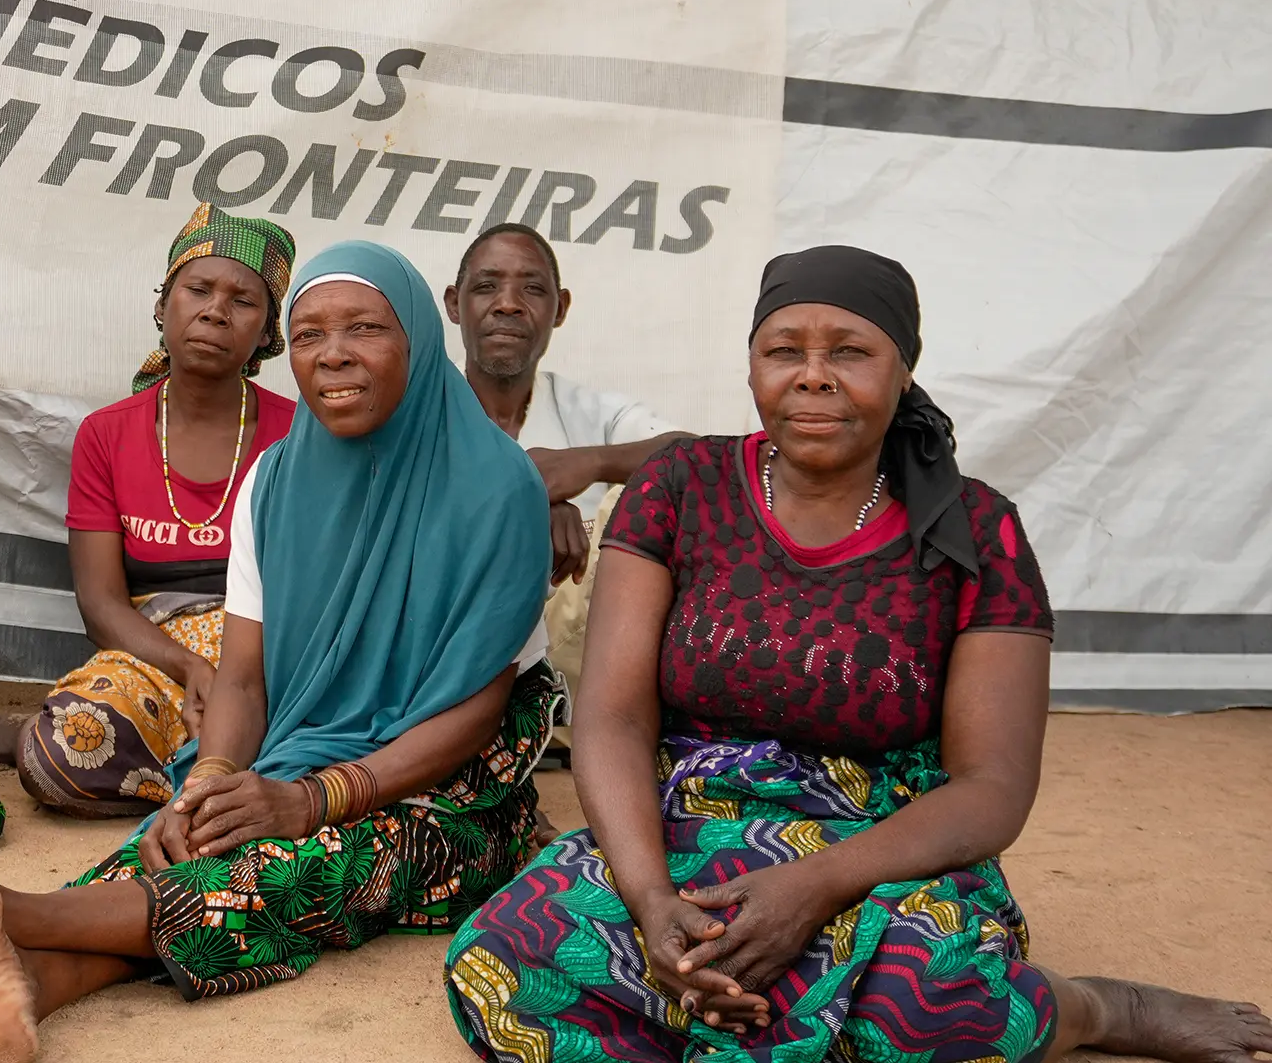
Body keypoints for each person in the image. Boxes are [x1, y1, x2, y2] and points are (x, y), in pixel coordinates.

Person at [447, 245, 1272, 1063]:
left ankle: (1095, 1006)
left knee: (932, 1005)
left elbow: (993, 787)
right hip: (687, 820)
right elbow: (616, 719)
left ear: (903, 372)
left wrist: (810, 887)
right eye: (784, 350)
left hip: (879, 847)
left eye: (849, 350)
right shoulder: (680, 489)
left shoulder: (976, 530)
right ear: (751, 368)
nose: (812, 375)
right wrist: (653, 898)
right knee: (504, 955)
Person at [0, 240, 563, 1062]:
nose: (334, 355)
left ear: (418, 341)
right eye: (310, 335)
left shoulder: (499, 489)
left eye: (364, 329)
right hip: (304, 747)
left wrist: (312, 800)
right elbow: (243, 678)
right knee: (196, 837)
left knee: (309, 864)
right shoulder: (275, 482)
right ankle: (32, 981)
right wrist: (207, 782)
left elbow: (476, 708)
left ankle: (6, 910)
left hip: (458, 787)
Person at [0, 204, 298, 819]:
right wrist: (189, 666)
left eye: (243, 300)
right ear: (162, 305)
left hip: (268, 656)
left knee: (329, 749)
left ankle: (206, 775)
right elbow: (100, 605)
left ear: (267, 333)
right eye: (197, 289)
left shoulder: (300, 435)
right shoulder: (108, 434)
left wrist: (230, 673)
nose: (214, 311)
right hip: (154, 657)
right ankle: (205, 779)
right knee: (61, 756)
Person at [444, 222, 689, 683]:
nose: (509, 304)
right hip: (445, 662)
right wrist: (532, 501)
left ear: (561, 309)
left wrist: (589, 463)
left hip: (578, 669)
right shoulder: (419, 409)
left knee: (642, 498)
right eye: (486, 287)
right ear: (454, 305)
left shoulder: (589, 412)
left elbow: (696, 457)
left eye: (533, 289)